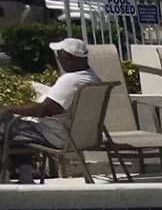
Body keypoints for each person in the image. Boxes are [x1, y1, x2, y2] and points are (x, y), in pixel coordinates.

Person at [3, 37, 98, 183]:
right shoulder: (92, 78)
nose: (58, 58)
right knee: (18, 125)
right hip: (79, 134)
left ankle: (18, 176)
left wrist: (8, 109)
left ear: (69, 58)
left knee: (6, 124)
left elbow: (44, 110)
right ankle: (26, 176)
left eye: (59, 54)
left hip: (58, 135)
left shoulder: (70, 80)